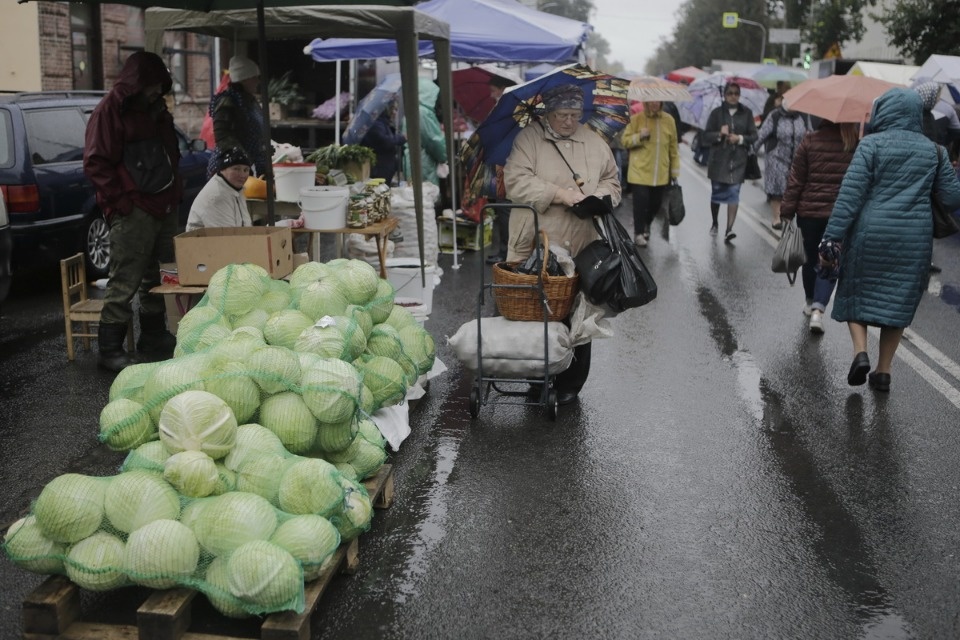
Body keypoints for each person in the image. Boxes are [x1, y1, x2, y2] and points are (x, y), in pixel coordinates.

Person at [819, 88, 960, 392]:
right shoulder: (934, 150)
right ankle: (883, 371)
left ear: (883, 112)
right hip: (914, 239)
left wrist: (831, 238)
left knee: (853, 293)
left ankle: (860, 353)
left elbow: (850, 196)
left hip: (869, 234)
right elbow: (951, 197)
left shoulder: (870, 145)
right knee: (897, 303)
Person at [503, 83, 622, 406]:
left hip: (583, 244)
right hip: (537, 243)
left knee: (579, 315)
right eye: (562, 115)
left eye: (574, 115)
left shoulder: (595, 143)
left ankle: (570, 382)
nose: (569, 122)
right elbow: (514, 181)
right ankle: (537, 378)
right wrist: (560, 194)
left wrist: (602, 198)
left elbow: (613, 180)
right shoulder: (529, 139)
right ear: (547, 113)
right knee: (537, 311)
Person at [84, 51, 183, 372]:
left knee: (159, 275)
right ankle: (109, 349)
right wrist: (122, 204)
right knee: (125, 278)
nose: (158, 90)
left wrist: (174, 193)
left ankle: (153, 336)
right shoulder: (109, 110)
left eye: (161, 84)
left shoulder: (156, 109)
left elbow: (171, 152)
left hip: (163, 203)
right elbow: (96, 162)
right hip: (134, 209)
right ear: (138, 82)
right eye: (153, 84)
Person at [779, 120, 859, 334]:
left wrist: (786, 211)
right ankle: (818, 310)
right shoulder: (852, 143)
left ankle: (809, 301)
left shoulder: (809, 141)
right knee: (830, 260)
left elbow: (795, 180)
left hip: (809, 213)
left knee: (810, 259)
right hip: (839, 214)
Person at [704, 82, 758, 243]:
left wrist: (740, 138)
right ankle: (715, 222)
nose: (733, 96)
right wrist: (719, 134)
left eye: (736, 93)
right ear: (725, 95)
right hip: (719, 161)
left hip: (738, 161)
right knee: (717, 194)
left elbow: (754, 135)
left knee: (734, 193)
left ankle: (729, 229)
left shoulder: (747, 113)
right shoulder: (716, 113)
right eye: (730, 93)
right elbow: (705, 136)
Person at [621, 100, 679, 246]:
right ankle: (639, 233)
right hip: (639, 172)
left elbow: (673, 147)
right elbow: (625, 141)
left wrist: (674, 171)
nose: (654, 103)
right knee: (640, 204)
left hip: (660, 172)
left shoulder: (669, 120)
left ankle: (647, 223)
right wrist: (639, 136)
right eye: (651, 100)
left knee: (656, 204)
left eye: (657, 100)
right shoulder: (636, 119)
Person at [207, 55, 270, 179]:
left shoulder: (250, 101)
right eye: (254, 78)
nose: (257, 81)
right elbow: (222, 134)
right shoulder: (227, 101)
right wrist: (241, 158)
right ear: (244, 79)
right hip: (230, 167)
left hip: (249, 165)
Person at [753, 104, 807, 229]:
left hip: (796, 159)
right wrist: (751, 152)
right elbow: (762, 135)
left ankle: (788, 216)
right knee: (777, 188)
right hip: (776, 157)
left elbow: (808, 133)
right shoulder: (775, 115)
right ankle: (776, 218)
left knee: (793, 189)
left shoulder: (802, 116)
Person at [186, 147, 253, 232]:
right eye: (236, 169)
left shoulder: (236, 189)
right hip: (205, 244)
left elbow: (246, 227)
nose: (242, 175)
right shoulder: (217, 196)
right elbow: (226, 238)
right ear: (223, 169)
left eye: (246, 170)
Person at [403, 77, 448, 187]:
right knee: (426, 197)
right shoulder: (422, 113)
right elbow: (433, 140)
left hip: (415, 160)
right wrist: (443, 156)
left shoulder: (414, 109)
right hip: (423, 164)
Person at [361, 100, 406, 183]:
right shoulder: (376, 124)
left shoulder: (382, 123)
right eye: (393, 109)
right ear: (386, 109)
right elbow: (385, 141)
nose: (395, 113)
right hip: (380, 168)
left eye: (396, 110)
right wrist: (401, 138)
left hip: (384, 167)